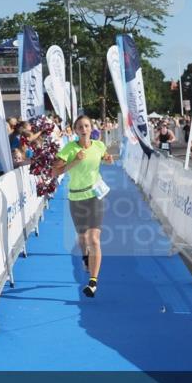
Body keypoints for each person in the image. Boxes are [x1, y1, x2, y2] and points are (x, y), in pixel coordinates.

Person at [52, 115, 115, 298]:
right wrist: (75, 161)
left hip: (95, 195)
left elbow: (104, 157)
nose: (84, 129)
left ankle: (93, 282)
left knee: (94, 238)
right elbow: (55, 171)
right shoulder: (69, 148)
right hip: (76, 197)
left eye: (87, 125)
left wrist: (108, 159)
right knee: (82, 238)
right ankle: (85, 256)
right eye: (80, 126)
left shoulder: (98, 145)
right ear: (76, 130)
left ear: (91, 128)